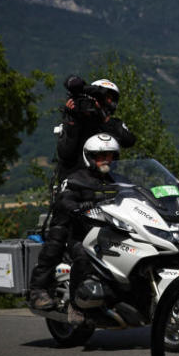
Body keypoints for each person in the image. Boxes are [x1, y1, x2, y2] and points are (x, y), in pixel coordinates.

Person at [28, 77, 135, 310]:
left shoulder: (110, 123)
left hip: (103, 186)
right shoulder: (76, 118)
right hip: (73, 187)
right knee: (60, 233)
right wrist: (72, 120)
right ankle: (37, 289)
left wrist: (103, 120)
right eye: (100, 96)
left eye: (109, 97)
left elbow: (128, 139)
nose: (104, 101)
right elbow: (65, 153)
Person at [35, 134, 120, 324]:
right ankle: (76, 304)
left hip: (110, 232)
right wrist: (76, 206)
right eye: (101, 155)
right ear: (89, 157)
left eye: (110, 155)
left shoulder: (117, 179)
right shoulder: (76, 179)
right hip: (82, 235)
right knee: (83, 255)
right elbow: (65, 198)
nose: (107, 159)